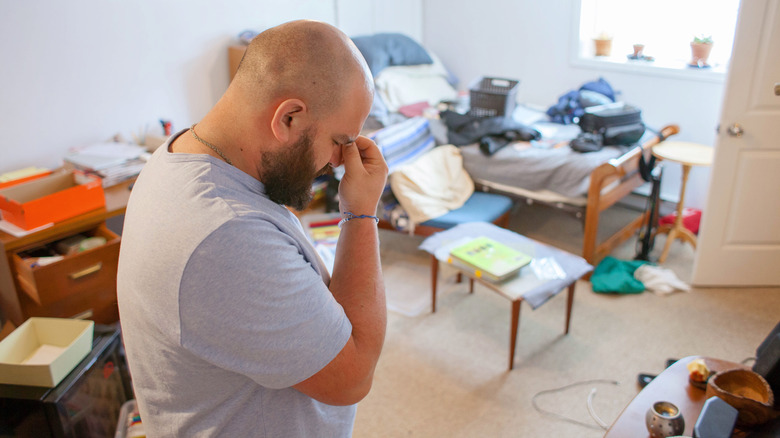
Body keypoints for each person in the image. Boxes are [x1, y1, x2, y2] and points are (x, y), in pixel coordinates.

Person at [117, 20, 388, 437]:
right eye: (340, 139)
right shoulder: (225, 235)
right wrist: (362, 213)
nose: (339, 161)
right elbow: (353, 377)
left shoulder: (175, 156)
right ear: (290, 118)